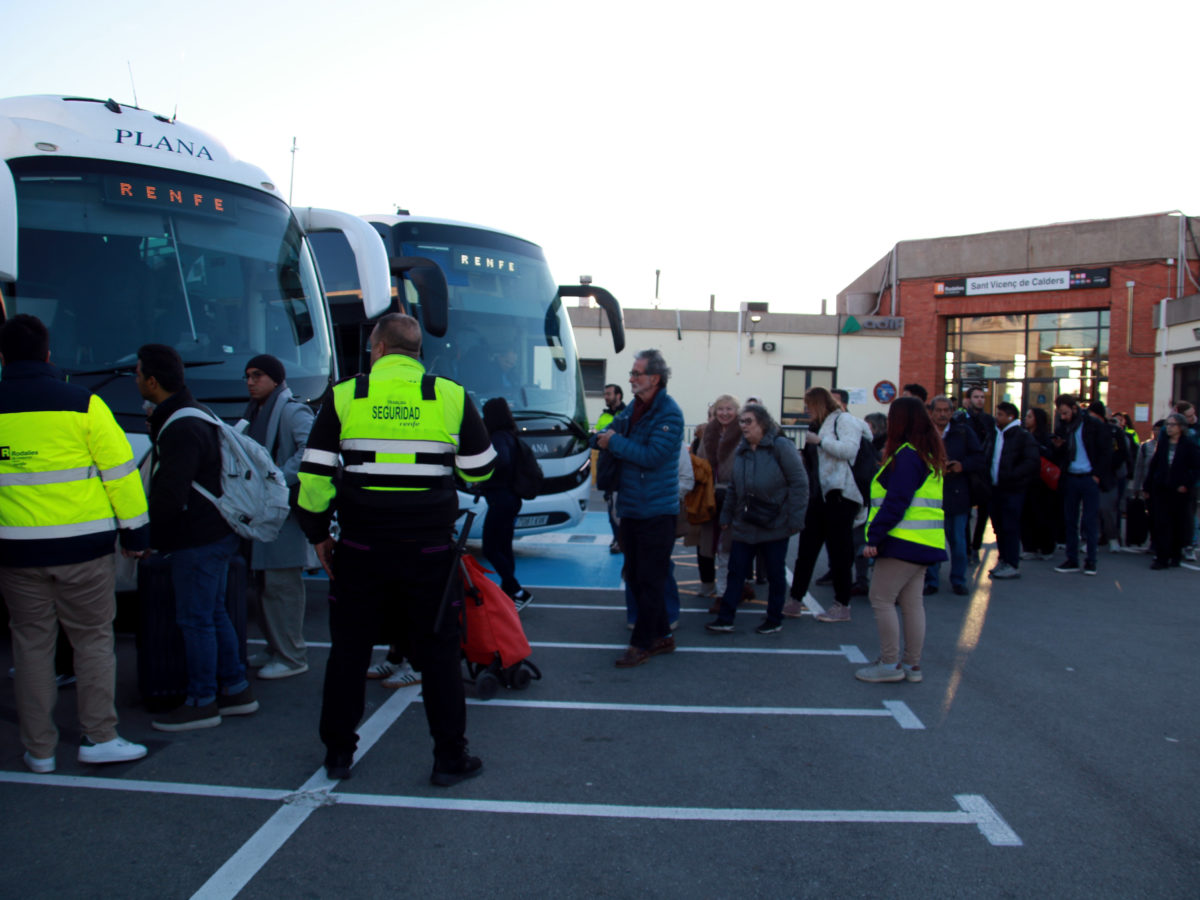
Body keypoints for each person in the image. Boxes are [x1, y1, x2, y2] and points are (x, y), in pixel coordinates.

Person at [296, 313, 495, 785]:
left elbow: (313, 476)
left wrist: (319, 534)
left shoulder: (346, 394)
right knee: (440, 654)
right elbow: (480, 472)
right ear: (417, 351)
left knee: (348, 651)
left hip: (362, 548)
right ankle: (449, 759)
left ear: (379, 348)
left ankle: (339, 755)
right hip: (428, 552)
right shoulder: (449, 394)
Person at [0, 314, 150, 773]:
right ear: (48, 354)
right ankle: (99, 737)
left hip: (16, 552)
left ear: (3, 357)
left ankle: (39, 750)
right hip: (84, 549)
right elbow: (121, 475)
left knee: (30, 645)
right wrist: (136, 533)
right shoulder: (83, 403)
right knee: (91, 641)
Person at [137, 343, 259, 732]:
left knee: (195, 620)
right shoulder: (197, 413)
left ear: (153, 382)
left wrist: (148, 536)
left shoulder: (181, 426)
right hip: (218, 531)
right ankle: (236, 689)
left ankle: (202, 700)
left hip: (196, 538)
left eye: (138, 374)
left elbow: (170, 492)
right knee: (213, 612)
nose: (135, 379)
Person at [594, 349, 684, 668]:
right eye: (631, 373)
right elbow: (615, 429)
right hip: (632, 508)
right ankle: (662, 635)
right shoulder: (635, 406)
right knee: (634, 575)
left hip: (657, 512)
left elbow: (651, 456)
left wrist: (612, 443)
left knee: (649, 578)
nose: (630, 378)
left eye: (636, 373)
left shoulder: (669, 414)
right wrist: (598, 437)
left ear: (654, 379)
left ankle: (641, 643)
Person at [855, 396, 948, 683]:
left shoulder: (907, 456)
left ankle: (890, 663)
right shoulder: (927, 454)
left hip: (901, 541)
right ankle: (911, 665)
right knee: (911, 603)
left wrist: (874, 537)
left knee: (881, 599)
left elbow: (896, 502)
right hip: (924, 541)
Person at [238, 354, 316, 680]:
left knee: (282, 586)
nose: (250, 381)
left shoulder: (290, 409)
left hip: (282, 513)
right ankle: (277, 647)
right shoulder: (257, 410)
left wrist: (278, 477)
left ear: (275, 378)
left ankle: (291, 655)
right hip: (263, 511)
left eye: (257, 375)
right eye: (248, 375)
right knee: (267, 585)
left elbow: (310, 448)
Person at [704, 404, 807, 634]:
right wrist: (726, 515)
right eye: (741, 422)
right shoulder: (742, 449)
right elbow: (733, 486)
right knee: (735, 570)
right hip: (745, 521)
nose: (743, 426)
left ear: (762, 423)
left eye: (748, 421)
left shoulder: (780, 446)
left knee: (775, 573)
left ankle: (774, 618)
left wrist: (795, 519)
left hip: (775, 521)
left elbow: (799, 483)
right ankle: (725, 618)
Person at [786, 387, 871, 623]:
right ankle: (795, 599)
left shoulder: (844, 421)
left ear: (819, 404)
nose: (806, 410)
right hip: (819, 496)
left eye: (809, 405)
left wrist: (820, 442)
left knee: (839, 552)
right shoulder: (816, 426)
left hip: (841, 495)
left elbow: (849, 450)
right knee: (806, 550)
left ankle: (842, 605)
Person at [925, 395, 983, 596]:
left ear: (951, 412)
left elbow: (978, 457)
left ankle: (959, 579)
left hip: (957, 493)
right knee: (932, 541)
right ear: (931, 412)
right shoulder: (924, 434)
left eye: (946, 410)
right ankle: (931, 580)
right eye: (938, 410)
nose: (942, 414)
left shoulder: (963, 431)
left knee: (958, 541)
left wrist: (962, 466)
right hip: (930, 496)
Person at [1051, 394, 1112, 576]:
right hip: (1071, 476)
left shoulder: (1093, 425)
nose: (1063, 416)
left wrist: (1097, 475)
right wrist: (1059, 446)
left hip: (1088, 477)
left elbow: (1105, 451)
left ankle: (1091, 561)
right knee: (1070, 520)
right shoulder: (1064, 427)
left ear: (1075, 408)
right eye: (1061, 413)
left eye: (1066, 413)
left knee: (1089, 520)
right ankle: (1072, 559)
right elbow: (1060, 454)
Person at [481, 396, 532, 608]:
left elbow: (501, 462)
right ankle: (509, 591)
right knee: (504, 546)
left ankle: (516, 590)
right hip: (511, 497)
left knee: (490, 548)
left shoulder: (498, 438)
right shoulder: (511, 435)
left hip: (500, 499)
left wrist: (483, 477)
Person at [695, 394, 741, 601]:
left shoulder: (743, 433)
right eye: (720, 409)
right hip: (709, 495)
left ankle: (727, 590)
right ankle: (708, 583)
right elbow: (701, 461)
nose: (724, 413)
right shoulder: (708, 434)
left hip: (734, 495)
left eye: (729, 409)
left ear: (737, 411)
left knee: (728, 545)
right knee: (705, 542)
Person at [987, 402, 1040, 579]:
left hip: (1012, 490)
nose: (997, 417)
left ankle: (1011, 563)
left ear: (1010, 417)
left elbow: (1031, 462)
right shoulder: (996, 434)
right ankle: (1003, 559)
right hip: (996, 488)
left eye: (1001, 414)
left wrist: (1012, 476)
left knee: (1010, 527)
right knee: (999, 527)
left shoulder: (1022, 436)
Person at [1145, 413, 1200, 569]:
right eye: (1167, 425)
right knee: (1162, 523)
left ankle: (1175, 554)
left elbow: (1196, 468)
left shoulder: (1188, 445)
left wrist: (1187, 484)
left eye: (1172, 425)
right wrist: (1147, 486)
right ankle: (1161, 557)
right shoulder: (1163, 444)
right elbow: (1154, 466)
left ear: (1181, 427)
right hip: (1162, 488)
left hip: (1180, 491)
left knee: (1178, 523)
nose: (1169, 428)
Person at [958, 386, 995, 564]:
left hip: (984, 472)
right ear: (968, 399)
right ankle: (966, 549)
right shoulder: (962, 419)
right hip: (967, 471)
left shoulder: (989, 420)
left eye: (982, 397)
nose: (980, 400)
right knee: (965, 513)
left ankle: (976, 546)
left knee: (983, 512)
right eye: (976, 397)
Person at [1087, 401, 1130, 553]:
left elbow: (1122, 452)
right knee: (1091, 510)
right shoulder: (1087, 430)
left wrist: (1110, 465)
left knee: (1107, 508)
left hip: (1109, 475)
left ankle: (1112, 537)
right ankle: (1091, 538)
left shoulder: (1113, 431)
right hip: (1090, 472)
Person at [1020, 408, 1060, 560]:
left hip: (1042, 483)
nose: (1026, 419)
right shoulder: (1023, 435)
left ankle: (1046, 547)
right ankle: (1029, 546)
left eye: (1030, 416)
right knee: (1027, 514)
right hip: (1026, 481)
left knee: (1042, 514)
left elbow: (1050, 455)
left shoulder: (1044, 438)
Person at [596, 384, 626, 554]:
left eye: (609, 394)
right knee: (610, 506)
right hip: (607, 467)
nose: (606, 397)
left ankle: (621, 540)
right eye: (605, 394)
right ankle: (617, 538)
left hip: (622, 467)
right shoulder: (603, 416)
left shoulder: (626, 414)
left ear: (618, 395)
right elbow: (596, 438)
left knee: (620, 507)